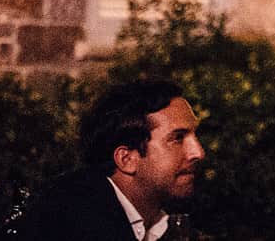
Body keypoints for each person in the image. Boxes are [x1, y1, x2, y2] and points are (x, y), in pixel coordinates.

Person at [13, 78, 206, 241]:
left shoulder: (161, 224)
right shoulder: (70, 223)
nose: (198, 152)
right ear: (127, 158)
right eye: (177, 138)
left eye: (195, 136)